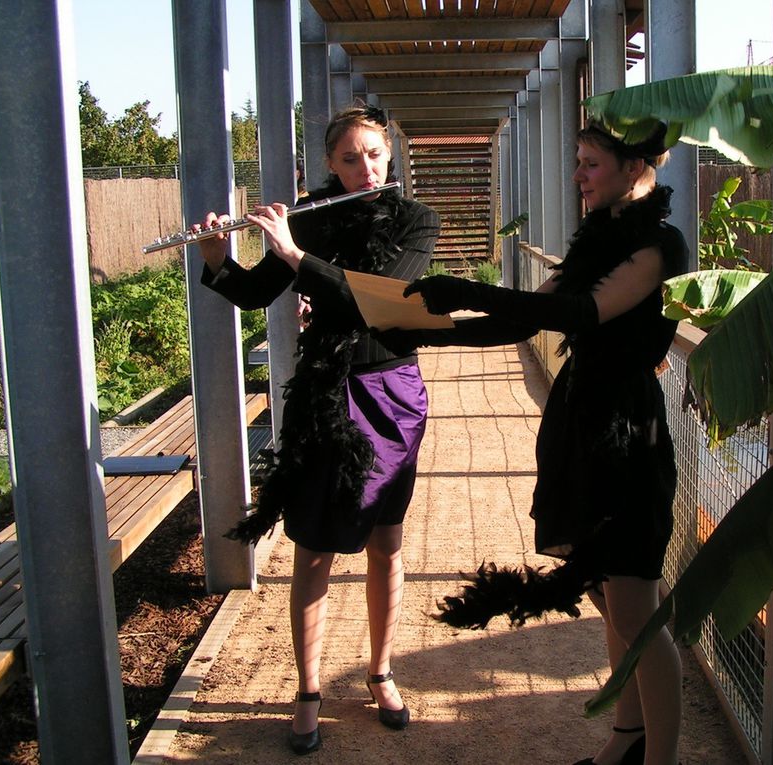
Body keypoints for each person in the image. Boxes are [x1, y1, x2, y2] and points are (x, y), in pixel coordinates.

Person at [378, 119, 687, 765]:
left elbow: (579, 314)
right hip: (581, 426)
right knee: (608, 593)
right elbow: (520, 315)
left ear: (635, 167)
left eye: (590, 163)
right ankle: (625, 744)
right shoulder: (594, 244)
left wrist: (461, 289)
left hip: (626, 435)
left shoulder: (658, 245)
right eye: (576, 161)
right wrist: (427, 334)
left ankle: (660, 758)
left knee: (634, 605)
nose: (577, 175)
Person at [192, 103, 440, 756]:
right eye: (350, 157)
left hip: (391, 395)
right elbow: (251, 294)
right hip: (323, 397)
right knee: (315, 545)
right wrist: (220, 258)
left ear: (390, 156)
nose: (366, 167)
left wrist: (297, 255)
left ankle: (381, 671)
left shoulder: (415, 220)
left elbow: (379, 295)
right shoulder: (313, 215)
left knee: (387, 540)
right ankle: (307, 689)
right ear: (329, 163)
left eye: (375, 154)